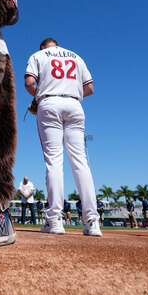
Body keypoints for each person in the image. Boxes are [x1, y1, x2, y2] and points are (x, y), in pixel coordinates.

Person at [25, 38, 101, 237]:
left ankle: (55, 220)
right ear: (57, 45)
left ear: (42, 47)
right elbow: (90, 88)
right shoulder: (76, 56)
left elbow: (30, 82)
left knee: (54, 161)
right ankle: (92, 221)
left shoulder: (38, 55)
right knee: (80, 163)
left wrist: (38, 96)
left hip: (49, 103)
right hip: (75, 105)